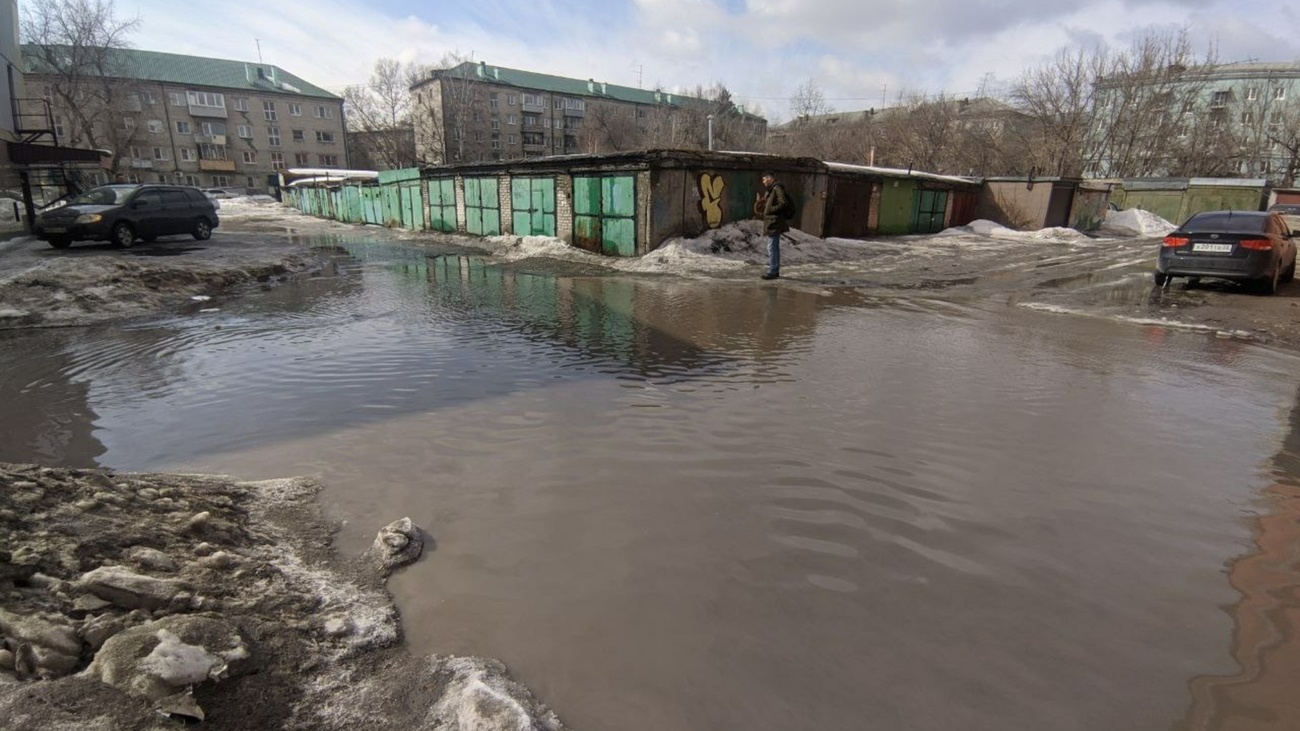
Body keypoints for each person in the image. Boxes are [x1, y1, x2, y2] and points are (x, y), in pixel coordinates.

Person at [754, 171, 794, 280]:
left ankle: (773, 271)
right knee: (772, 247)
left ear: (769, 178)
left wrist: (770, 210)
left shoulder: (777, 188)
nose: (763, 182)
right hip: (772, 222)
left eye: (764, 179)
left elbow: (783, 203)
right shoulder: (771, 190)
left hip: (775, 222)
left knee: (772, 247)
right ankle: (774, 270)